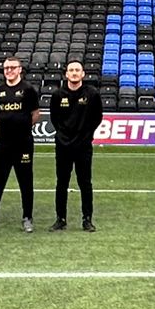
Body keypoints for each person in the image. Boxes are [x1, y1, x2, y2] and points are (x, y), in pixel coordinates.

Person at [0, 56, 40, 233]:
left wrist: (21, 125)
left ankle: (27, 217)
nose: (9, 71)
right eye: (6, 68)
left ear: (20, 69)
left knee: (25, 182)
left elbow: (35, 114)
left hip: (23, 144)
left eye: (12, 67)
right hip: (3, 144)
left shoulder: (28, 90)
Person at [49, 59, 105, 232]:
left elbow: (97, 117)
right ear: (66, 73)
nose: (74, 73)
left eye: (77, 70)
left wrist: (86, 135)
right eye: (71, 70)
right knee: (62, 183)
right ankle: (61, 219)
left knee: (85, 183)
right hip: (63, 146)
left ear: (83, 74)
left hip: (83, 147)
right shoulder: (58, 95)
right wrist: (63, 135)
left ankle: (87, 219)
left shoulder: (92, 94)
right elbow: (55, 119)